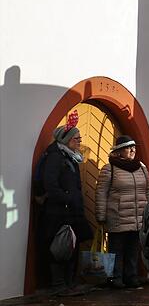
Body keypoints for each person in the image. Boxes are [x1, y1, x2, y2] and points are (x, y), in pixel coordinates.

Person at [40, 111, 94, 295]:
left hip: (71, 211)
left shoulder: (70, 156)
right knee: (59, 248)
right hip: (59, 212)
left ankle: (70, 283)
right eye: (76, 138)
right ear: (67, 140)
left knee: (72, 246)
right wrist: (66, 198)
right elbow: (50, 183)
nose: (79, 141)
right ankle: (59, 285)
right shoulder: (56, 157)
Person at [95, 135, 149, 288]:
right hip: (118, 215)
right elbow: (102, 193)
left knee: (133, 248)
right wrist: (101, 215)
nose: (133, 150)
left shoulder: (141, 167)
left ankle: (131, 276)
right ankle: (115, 278)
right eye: (128, 147)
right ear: (119, 151)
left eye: (134, 147)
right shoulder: (110, 168)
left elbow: (148, 189)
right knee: (117, 248)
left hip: (138, 216)